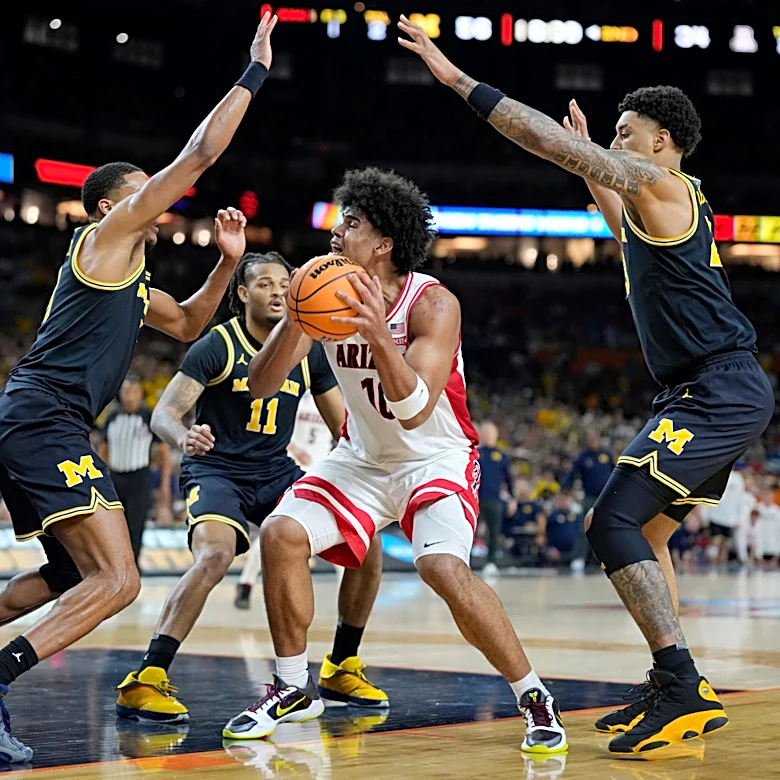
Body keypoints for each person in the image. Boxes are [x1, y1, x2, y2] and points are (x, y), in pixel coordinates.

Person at [398, 15, 772, 754]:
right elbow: (601, 194)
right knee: (652, 530)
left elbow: (549, 140)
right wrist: (588, 165)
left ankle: (684, 683)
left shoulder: (663, 181)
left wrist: (457, 81)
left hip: (719, 385)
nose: (616, 143)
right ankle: (675, 683)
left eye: (625, 132)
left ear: (661, 141)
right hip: (698, 388)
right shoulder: (644, 210)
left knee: (611, 524)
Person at [0, 15, 277, 761]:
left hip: (41, 418)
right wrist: (254, 70)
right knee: (119, 581)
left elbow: (187, 325)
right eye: (138, 196)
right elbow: (200, 152)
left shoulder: (131, 277)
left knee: (69, 572)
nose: (152, 205)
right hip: (43, 416)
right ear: (108, 209)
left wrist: (227, 262)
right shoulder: (103, 239)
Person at [223, 167, 568, 754]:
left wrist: (378, 334)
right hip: (361, 458)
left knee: (442, 570)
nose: (336, 232)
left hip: (435, 457)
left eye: (351, 224)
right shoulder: (321, 292)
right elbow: (258, 386)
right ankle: (291, 685)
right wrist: (294, 324)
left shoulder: (432, 303)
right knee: (280, 534)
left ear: (383, 243)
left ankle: (534, 696)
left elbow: (413, 408)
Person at [115, 252, 387, 723]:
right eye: (265, 284)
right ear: (242, 294)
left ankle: (341, 664)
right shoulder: (218, 344)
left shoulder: (309, 350)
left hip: (276, 472)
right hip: (217, 470)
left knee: (367, 541)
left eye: (285, 283)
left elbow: (345, 428)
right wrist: (185, 436)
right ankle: (146, 677)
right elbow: (164, 415)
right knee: (216, 555)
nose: (279, 291)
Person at [235, 386, 335, 609]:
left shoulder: (335, 396)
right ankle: (246, 583)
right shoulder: (297, 394)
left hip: (321, 471)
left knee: (338, 532)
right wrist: (294, 448)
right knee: (275, 528)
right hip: (290, 468)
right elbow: (277, 427)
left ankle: (345, 597)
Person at [100, 377, 171, 565]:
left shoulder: (148, 417)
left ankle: (133, 564)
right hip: (115, 477)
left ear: (140, 394)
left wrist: (164, 485)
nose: (129, 396)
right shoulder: (112, 418)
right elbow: (103, 449)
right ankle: (115, 564)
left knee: (136, 524)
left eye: (133, 392)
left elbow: (164, 453)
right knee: (114, 525)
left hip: (139, 478)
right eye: (126, 392)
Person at [561, 434, 614, 571]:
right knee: (584, 528)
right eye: (591, 439)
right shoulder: (582, 457)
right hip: (589, 497)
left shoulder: (606, 455)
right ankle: (579, 557)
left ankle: (609, 558)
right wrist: (564, 488)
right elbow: (572, 475)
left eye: (595, 439)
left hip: (606, 497)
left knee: (607, 528)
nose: (594, 442)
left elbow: (616, 472)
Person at [476, 421, 514, 576]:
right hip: (477, 499)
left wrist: (512, 498)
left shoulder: (502, 455)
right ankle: (467, 561)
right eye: (485, 433)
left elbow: (509, 478)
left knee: (494, 531)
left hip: (495, 499)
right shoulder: (476, 453)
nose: (488, 436)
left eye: (491, 433)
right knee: (471, 531)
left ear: (496, 435)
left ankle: (491, 562)